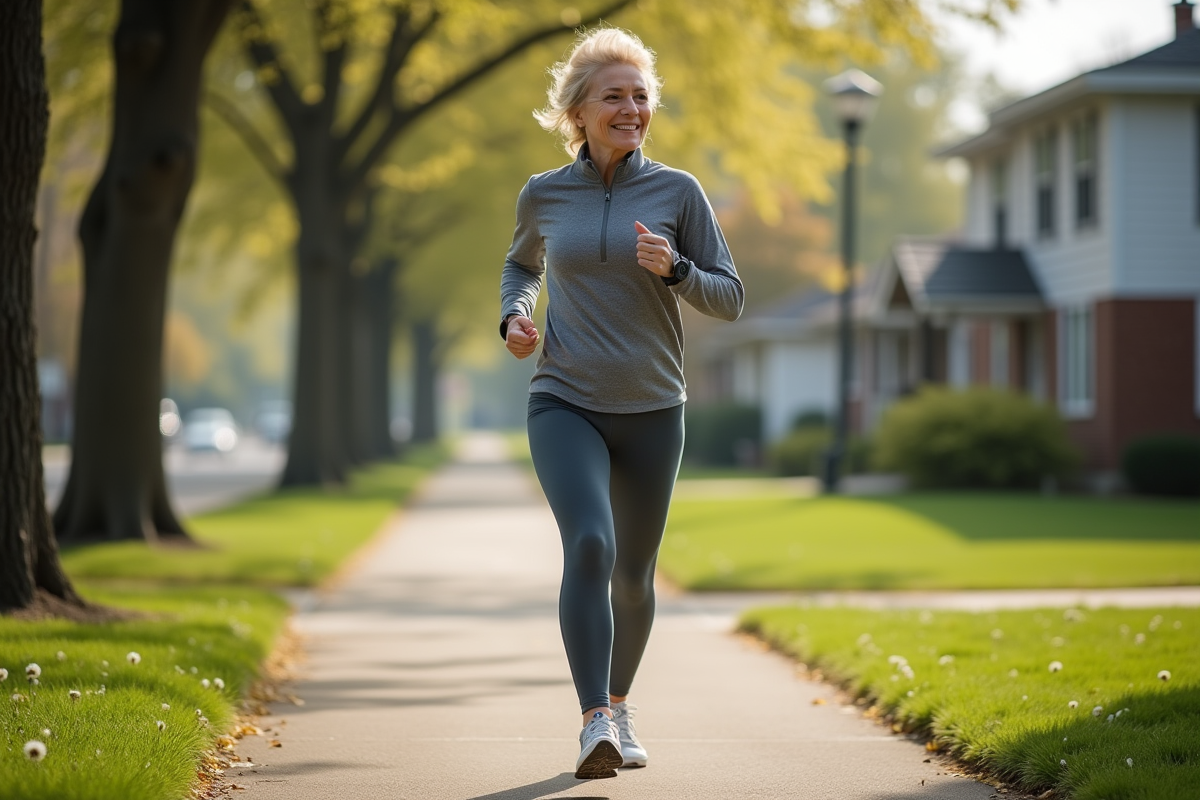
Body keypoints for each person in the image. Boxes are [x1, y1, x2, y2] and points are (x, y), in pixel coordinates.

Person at [499, 26, 743, 780]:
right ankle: (593, 723)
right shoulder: (544, 193)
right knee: (590, 545)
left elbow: (730, 297)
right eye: (614, 96)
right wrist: (515, 315)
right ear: (578, 110)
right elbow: (521, 264)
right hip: (564, 398)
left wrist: (677, 270)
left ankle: (619, 703)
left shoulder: (678, 192)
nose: (631, 109)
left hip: (653, 407)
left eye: (641, 96)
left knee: (634, 574)